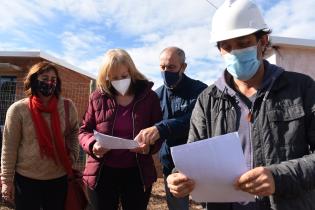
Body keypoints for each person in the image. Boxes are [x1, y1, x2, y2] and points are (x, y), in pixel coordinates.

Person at [166, 0, 315, 210]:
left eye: (243, 44)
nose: (235, 53)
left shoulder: (301, 88)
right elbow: (193, 157)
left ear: (263, 41)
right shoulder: (208, 100)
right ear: (219, 50)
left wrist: (278, 177)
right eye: (227, 47)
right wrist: (178, 178)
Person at [79, 48, 163, 210]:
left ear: (132, 72)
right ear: (106, 77)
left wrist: (148, 148)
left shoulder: (149, 97)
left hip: (136, 172)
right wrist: (92, 145)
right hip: (102, 172)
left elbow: (158, 131)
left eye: (124, 76)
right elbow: (84, 130)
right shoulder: (97, 97)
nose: (120, 81)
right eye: (114, 77)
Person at [1, 61, 80, 210]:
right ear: (34, 80)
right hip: (26, 181)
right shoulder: (18, 110)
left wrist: (74, 154)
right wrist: (6, 180)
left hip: (58, 179)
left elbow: (74, 131)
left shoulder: (67, 107)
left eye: (53, 80)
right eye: (44, 79)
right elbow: (9, 147)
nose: (49, 83)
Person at [135, 46, 207, 210]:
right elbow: (149, 127)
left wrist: (161, 128)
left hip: (200, 162)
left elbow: (195, 121)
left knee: (209, 204)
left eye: (172, 67)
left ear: (184, 67)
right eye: (162, 67)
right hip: (171, 165)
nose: (166, 71)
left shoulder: (200, 91)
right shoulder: (156, 96)